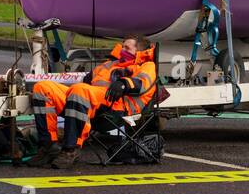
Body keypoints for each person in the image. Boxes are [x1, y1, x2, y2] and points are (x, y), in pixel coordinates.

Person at [29, 35, 157, 169]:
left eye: (127, 48)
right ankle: (48, 146)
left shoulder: (147, 65)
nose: (122, 50)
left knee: (80, 91)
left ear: (140, 51)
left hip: (116, 109)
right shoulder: (110, 64)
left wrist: (123, 83)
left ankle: (70, 149)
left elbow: (142, 83)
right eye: (122, 46)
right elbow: (87, 81)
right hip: (88, 102)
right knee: (42, 87)